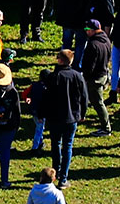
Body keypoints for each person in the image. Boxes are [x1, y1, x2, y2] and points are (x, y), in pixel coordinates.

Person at [35, 48, 85, 188]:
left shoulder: (53, 77)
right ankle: (63, 177)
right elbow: (83, 96)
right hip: (71, 117)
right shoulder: (77, 76)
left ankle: (55, 172)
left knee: (56, 144)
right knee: (67, 146)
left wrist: (41, 113)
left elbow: (45, 98)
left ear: (60, 60)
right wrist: (82, 114)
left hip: (55, 117)